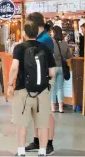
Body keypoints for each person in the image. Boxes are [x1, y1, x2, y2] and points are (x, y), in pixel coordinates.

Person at [7, 21, 56, 156]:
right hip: (42, 92)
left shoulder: (19, 48)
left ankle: (21, 151)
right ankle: (42, 151)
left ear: (24, 33)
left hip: (23, 90)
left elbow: (14, 68)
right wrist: (48, 83)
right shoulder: (45, 48)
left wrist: (10, 85)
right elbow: (52, 72)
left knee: (22, 124)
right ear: (37, 32)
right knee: (42, 124)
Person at [25, 12, 55, 155]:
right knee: (36, 111)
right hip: (37, 79)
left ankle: (49, 143)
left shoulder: (45, 40)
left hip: (45, 80)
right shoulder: (39, 38)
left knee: (46, 113)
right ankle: (37, 140)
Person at [51, 26, 71, 113]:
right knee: (60, 88)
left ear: (54, 33)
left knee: (52, 88)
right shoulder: (65, 43)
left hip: (53, 67)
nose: (51, 33)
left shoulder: (51, 43)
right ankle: (61, 108)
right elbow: (69, 56)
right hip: (61, 68)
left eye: (52, 32)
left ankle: (53, 107)